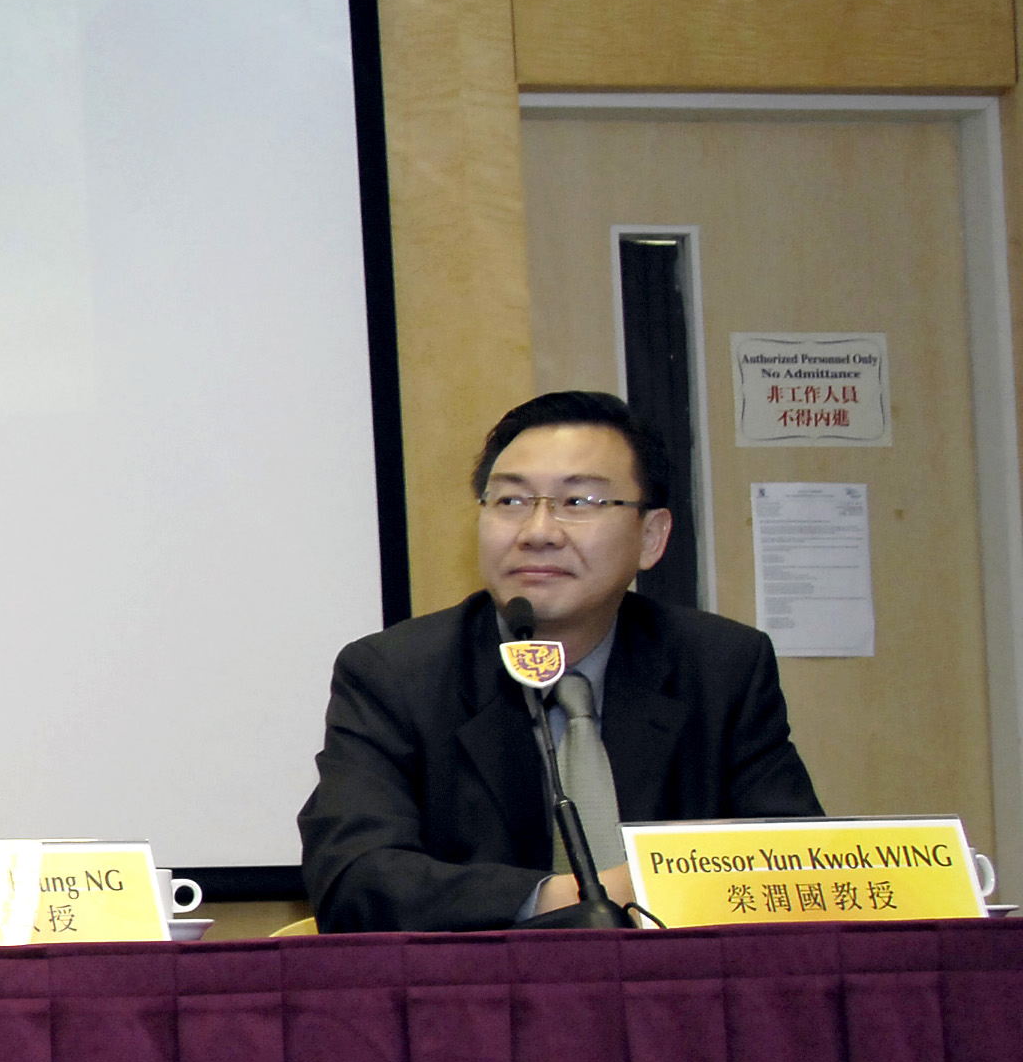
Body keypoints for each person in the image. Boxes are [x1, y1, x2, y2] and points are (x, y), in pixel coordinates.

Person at [298, 389, 820, 932]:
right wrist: (577, 899)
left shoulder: (719, 666)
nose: (538, 532)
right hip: (482, 1003)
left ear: (651, 536)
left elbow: (793, 862)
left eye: (579, 503)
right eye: (510, 501)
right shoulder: (396, 674)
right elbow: (355, 879)